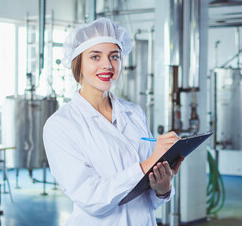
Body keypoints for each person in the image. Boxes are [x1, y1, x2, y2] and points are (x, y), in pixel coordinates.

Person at [43, 17, 184, 226]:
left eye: (114, 56)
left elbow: (146, 200)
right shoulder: (61, 125)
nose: (107, 65)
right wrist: (146, 166)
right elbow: (90, 198)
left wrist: (162, 188)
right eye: (95, 57)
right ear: (78, 64)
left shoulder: (134, 113)